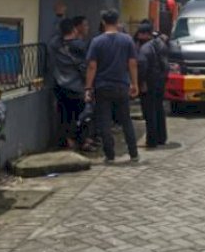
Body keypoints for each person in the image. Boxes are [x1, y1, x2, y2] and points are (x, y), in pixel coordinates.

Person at [85, 9, 140, 164]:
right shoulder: (127, 40)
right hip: (122, 85)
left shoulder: (97, 42)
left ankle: (110, 155)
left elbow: (91, 67)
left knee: (105, 122)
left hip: (102, 86)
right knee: (125, 120)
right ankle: (133, 153)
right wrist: (134, 83)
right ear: (118, 21)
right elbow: (133, 63)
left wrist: (88, 88)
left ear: (103, 22)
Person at [50, 19, 86, 149]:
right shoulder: (80, 46)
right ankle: (76, 141)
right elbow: (84, 67)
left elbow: (56, 36)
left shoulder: (56, 45)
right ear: (74, 30)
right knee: (78, 115)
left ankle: (65, 141)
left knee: (63, 115)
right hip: (76, 87)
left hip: (60, 86)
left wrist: (59, 17)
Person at [137, 24, 169, 148]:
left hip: (149, 82)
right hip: (160, 81)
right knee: (159, 109)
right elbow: (166, 65)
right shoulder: (161, 44)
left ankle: (152, 140)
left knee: (149, 112)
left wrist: (141, 82)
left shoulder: (145, 48)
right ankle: (162, 137)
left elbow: (142, 66)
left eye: (140, 34)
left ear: (145, 34)